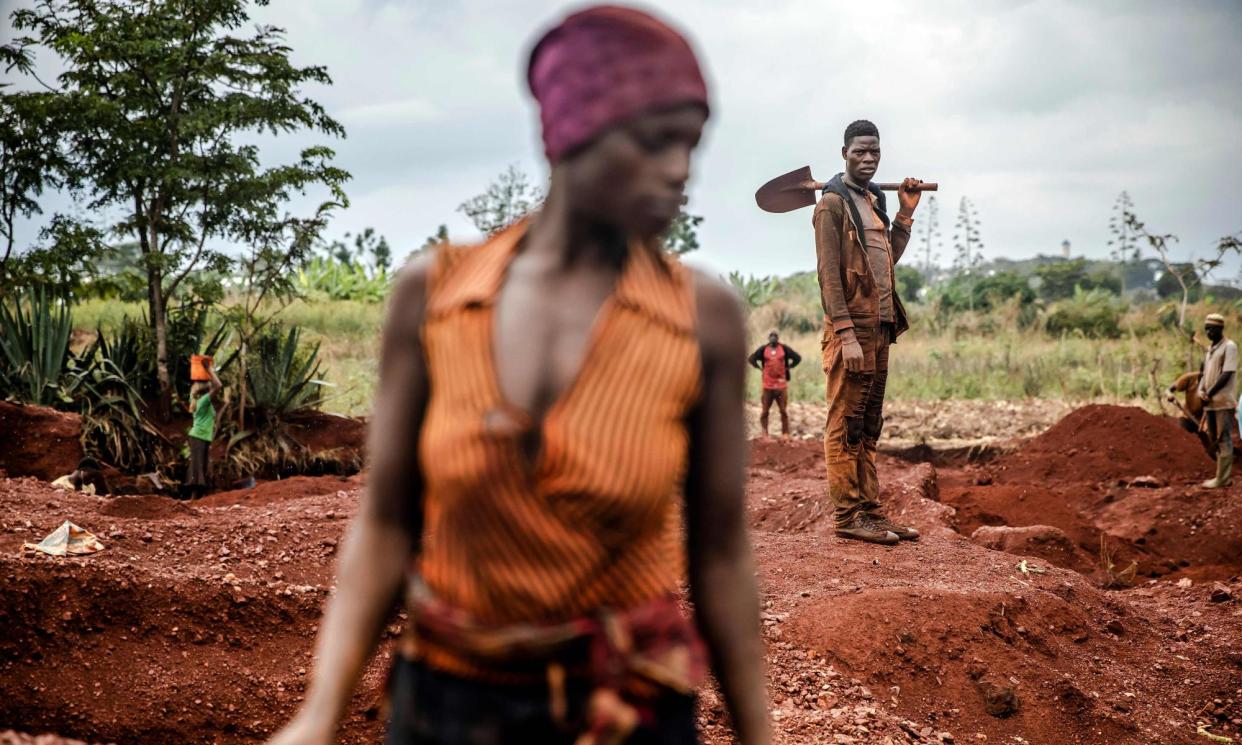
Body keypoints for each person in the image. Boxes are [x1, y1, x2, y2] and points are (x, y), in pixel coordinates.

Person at [268, 7, 769, 745]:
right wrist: (318, 713)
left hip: (626, 710)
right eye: (656, 141)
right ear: (575, 132)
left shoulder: (703, 318)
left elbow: (721, 550)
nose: (680, 171)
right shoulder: (435, 296)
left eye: (691, 146)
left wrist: (761, 735)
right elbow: (386, 518)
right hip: (446, 706)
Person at [813, 119, 924, 545]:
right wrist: (845, 335)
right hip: (852, 332)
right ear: (844, 153)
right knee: (846, 423)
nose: (869, 158)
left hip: (880, 329)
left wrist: (905, 213)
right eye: (860, 151)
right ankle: (847, 516)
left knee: (870, 423)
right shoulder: (832, 206)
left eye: (875, 151)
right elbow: (828, 277)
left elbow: (886, 262)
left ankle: (871, 511)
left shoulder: (871, 201)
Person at [1197, 313, 1236, 488]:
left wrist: (1210, 392)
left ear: (1220, 329)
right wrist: (1201, 391)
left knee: (1223, 437)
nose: (1208, 332)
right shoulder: (1210, 350)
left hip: (1221, 400)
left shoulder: (1229, 347)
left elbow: (1227, 374)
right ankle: (1220, 476)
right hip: (1210, 402)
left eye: (1212, 329)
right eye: (1206, 329)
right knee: (1214, 437)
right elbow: (1205, 375)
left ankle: (1223, 479)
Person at [748, 330, 801, 438]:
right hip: (767, 385)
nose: (773, 338)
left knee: (783, 411)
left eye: (775, 336)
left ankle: (785, 434)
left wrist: (789, 367)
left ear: (778, 338)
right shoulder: (763, 349)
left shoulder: (784, 349)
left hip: (781, 385)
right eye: (771, 336)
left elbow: (797, 358)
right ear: (768, 338)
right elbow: (751, 359)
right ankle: (765, 433)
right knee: (765, 411)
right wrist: (760, 368)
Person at [184, 359, 222, 500]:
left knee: (201, 465)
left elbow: (212, 386)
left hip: (201, 437)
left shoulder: (196, 400)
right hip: (198, 437)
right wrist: (208, 369)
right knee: (197, 466)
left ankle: (198, 497)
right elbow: (218, 386)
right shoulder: (204, 401)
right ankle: (194, 498)